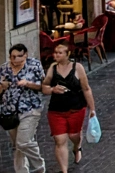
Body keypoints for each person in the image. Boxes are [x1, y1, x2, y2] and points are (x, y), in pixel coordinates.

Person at [0, 43, 47, 173]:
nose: (14, 60)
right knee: (18, 145)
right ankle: (21, 171)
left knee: (23, 142)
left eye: (18, 56)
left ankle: (39, 165)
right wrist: (1, 86)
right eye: (12, 57)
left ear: (25, 55)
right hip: (9, 111)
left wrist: (28, 84)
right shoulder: (4, 68)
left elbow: (43, 87)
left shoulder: (34, 65)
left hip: (30, 108)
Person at [43, 41, 96, 173]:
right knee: (60, 140)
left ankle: (77, 147)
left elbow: (86, 88)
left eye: (60, 53)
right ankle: (64, 170)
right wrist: (52, 90)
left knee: (74, 136)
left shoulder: (77, 68)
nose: (56, 55)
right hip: (56, 110)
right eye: (55, 53)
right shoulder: (52, 68)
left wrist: (92, 109)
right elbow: (44, 87)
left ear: (67, 54)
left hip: (76, 108)